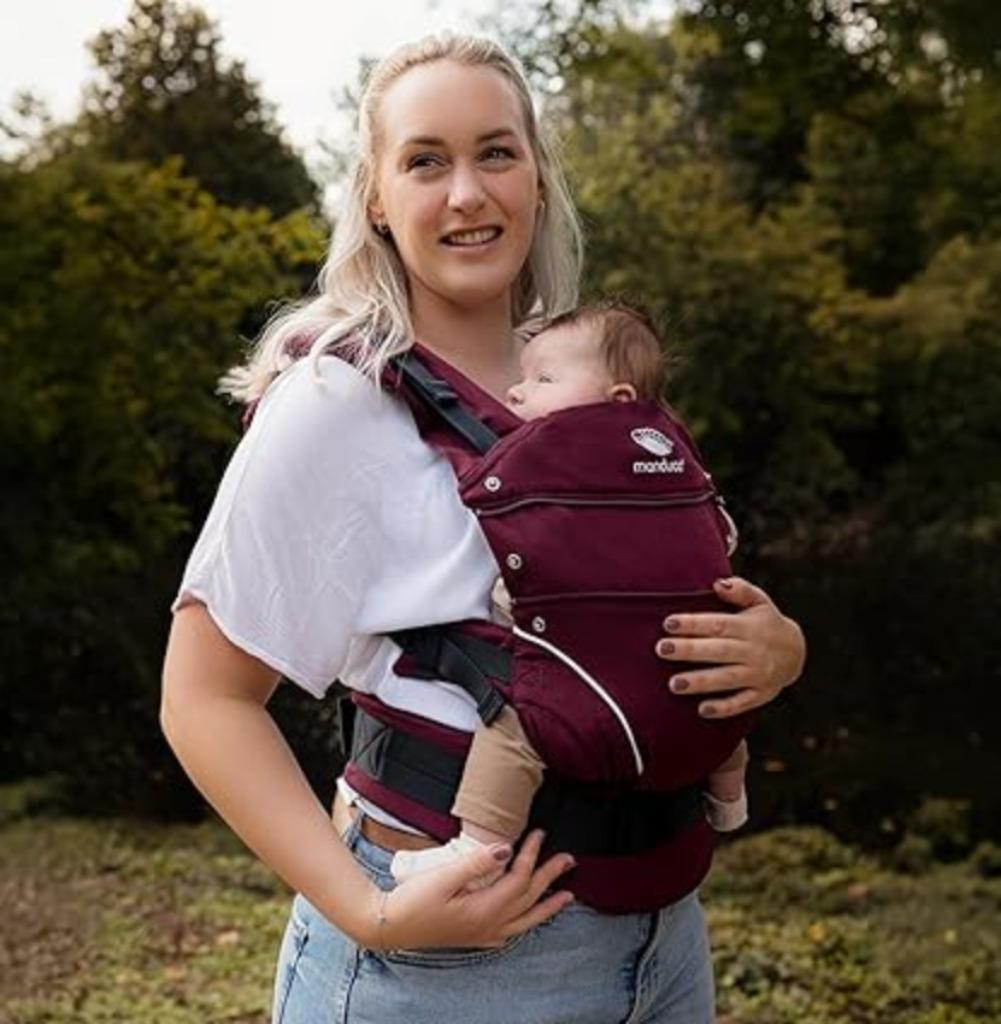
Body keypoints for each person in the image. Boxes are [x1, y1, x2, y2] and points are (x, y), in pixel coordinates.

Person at [160, 33, 806, 1024]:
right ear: (376, 195)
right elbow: (203, 700)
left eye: (496, 153)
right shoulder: (334, 401)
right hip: (450, 966)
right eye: (426, 161)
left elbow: (650, 603)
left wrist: (774, 645)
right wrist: (366, 911)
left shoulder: (586, 387)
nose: (467, 193)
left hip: (665, 938)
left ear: (537, 178)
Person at [391, 302, 750, 889]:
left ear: (618, 398)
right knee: (719, 709)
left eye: (543, 380)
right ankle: (729, 796)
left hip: (589, 696)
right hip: (688, 692)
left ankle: (476, 848)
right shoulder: (670, 456)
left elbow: (529, 572)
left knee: (515, 729)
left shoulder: (551, 471)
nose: (516, 393)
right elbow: (719, 537)